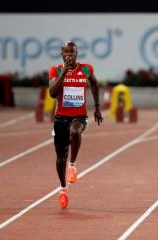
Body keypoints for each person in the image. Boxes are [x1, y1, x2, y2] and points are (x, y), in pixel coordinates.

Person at [49, 41, 103, 208]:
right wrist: (64, 72)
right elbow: (52, 93)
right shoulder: (56, 70)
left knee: (76, 132)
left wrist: (97, 107)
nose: (69, 56)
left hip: (79, 116)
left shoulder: (86, 69)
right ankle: (63, 189)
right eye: (66, 53)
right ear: (62, 54)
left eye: (72, 52)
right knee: (60, 157)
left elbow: (94, 83)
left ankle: (72, 165)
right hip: (60, 118)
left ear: (77, 53)